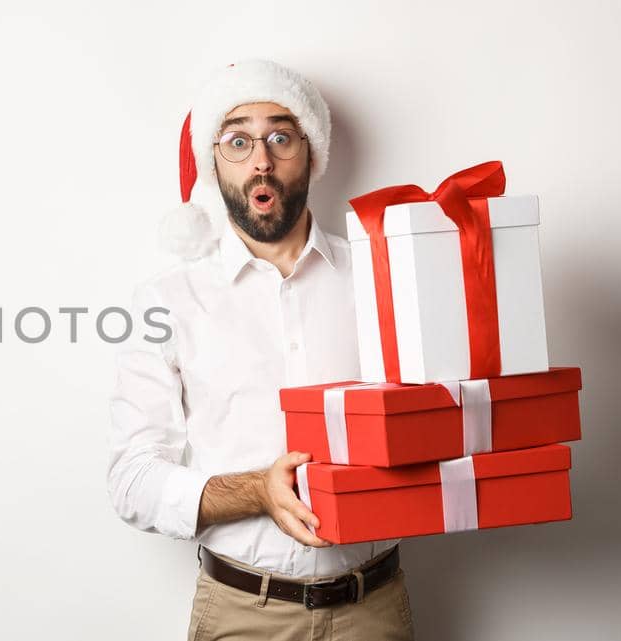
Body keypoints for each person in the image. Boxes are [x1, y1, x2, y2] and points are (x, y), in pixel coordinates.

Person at [107, 59, 414, 640]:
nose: (261, 160)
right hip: (243, 615)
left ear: (312, 152)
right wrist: (255, 490)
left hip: (374, 610)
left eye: (281, 136)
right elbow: (132, 480)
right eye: (238, 140)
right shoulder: (165, 301)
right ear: (214, 162)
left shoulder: (383, 281)